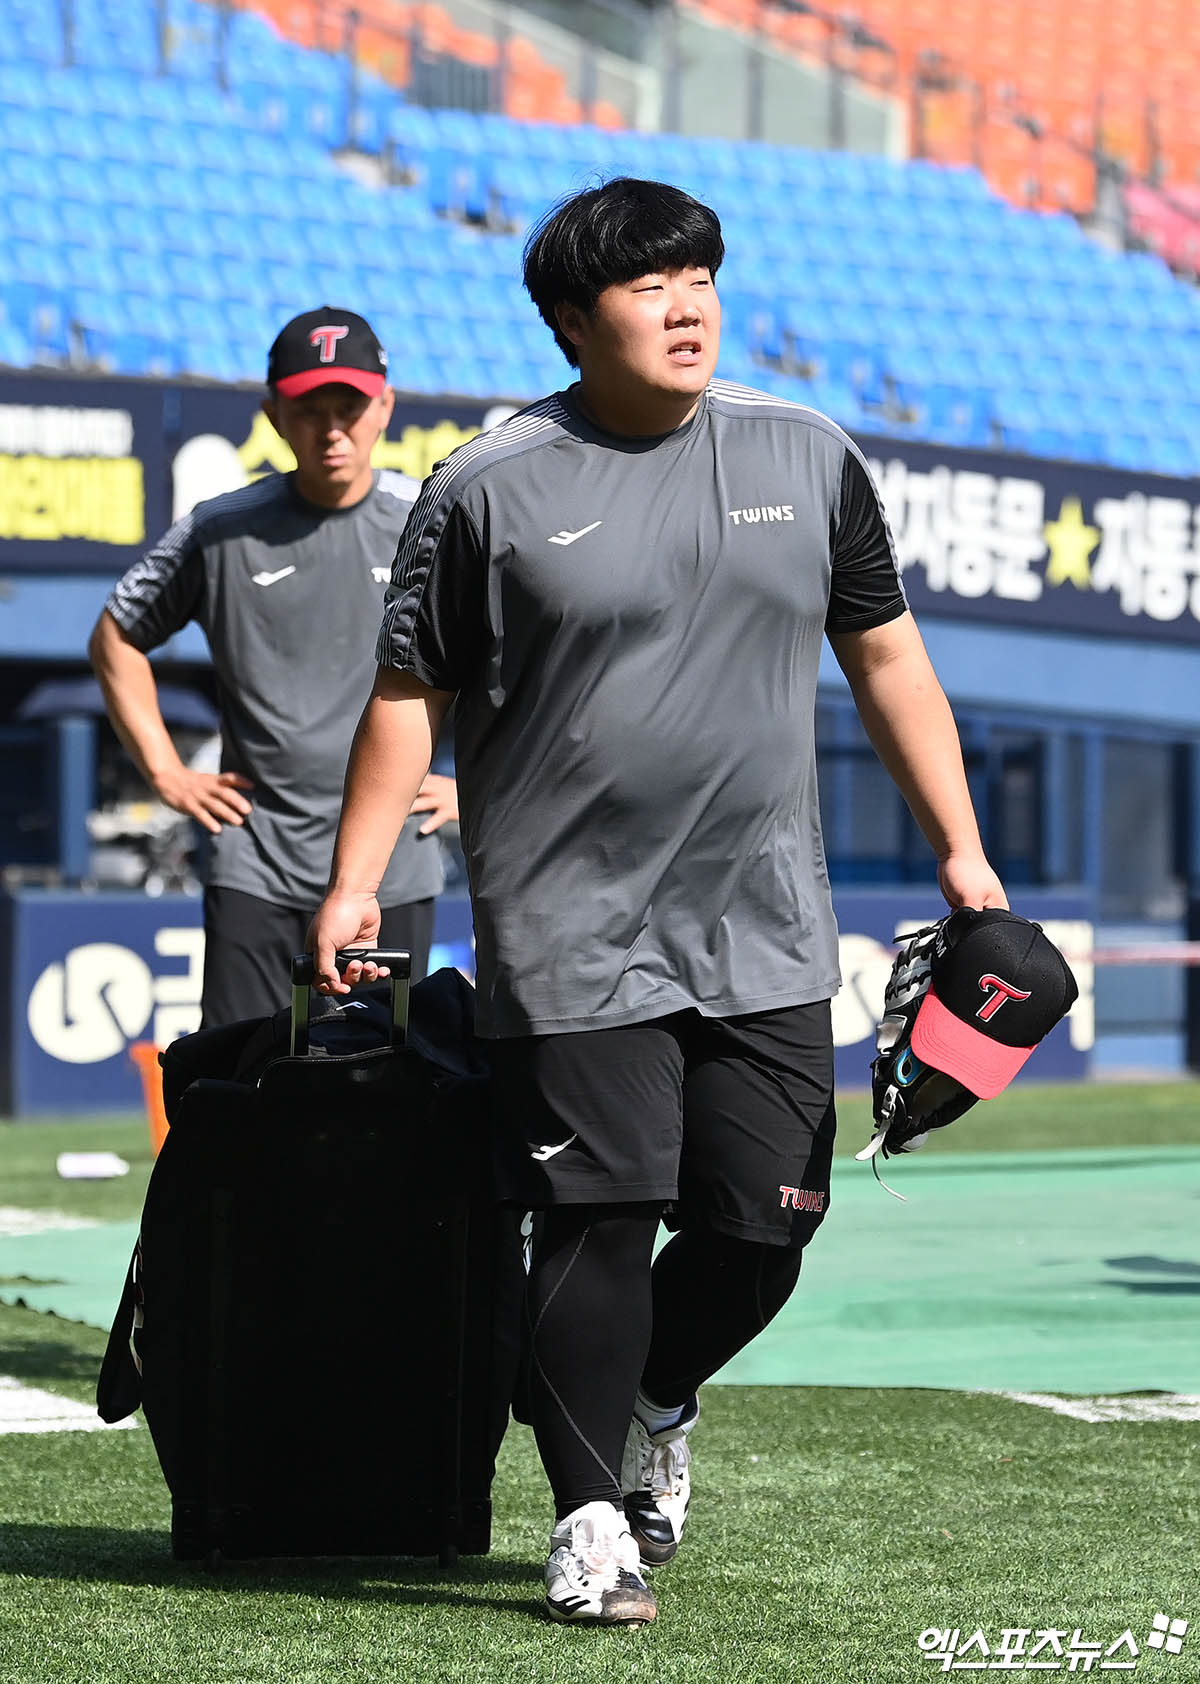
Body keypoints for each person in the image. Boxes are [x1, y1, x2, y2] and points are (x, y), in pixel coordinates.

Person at [306, 180, 1007, 1627]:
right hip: (566, 924)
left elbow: (886, 658)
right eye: (648, 286)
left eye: (700, 276)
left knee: (766, 1225)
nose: (686, 305)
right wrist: (357, 877)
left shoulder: (806, 454)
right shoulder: (486, 486)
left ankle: (654, 1395)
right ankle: (583, 1520)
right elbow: (404, 700)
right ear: (573, 322)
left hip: (762, 921)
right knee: (597, 1218)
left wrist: (962, 849)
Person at [89, 307, 457, 1028]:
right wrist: (166, 772)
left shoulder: (435, 520)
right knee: (240, 1093)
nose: (330, 428)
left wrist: (474, 783)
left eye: (348, 407)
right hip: (256, 863)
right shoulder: (217, 528)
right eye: (308, 408)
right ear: (272, 415)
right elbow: (115, 638)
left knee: (385, 1099)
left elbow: (523, 659)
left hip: (392, 872)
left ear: (384, 408)